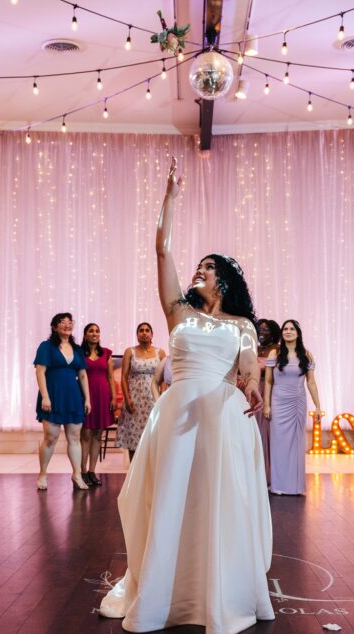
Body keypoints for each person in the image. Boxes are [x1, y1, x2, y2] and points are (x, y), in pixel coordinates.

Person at [100, 157, 273, 632]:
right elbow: (161, 251)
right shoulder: (178, 312)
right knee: (171, 497)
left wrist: (254, 390)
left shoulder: (241, 325)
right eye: (199, 265)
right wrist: (170, 197)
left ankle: (212, 589)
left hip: (221, 415)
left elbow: (248, 370)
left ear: (227, 282)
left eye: (210, 268)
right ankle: (163, 587)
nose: (201, 269)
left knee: (214, 501)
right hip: (175, 413)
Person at [33, 313, 91, 491]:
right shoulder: (46, 346)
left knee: (74, 437)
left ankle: (77, 474)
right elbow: (40, 372)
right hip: (53, 394)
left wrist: (87, 398)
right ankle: (43, 474)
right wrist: (45, 396)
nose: (67, 325)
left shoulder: (77, 349)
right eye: (62, 323)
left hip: (73, 397)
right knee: (50, 437)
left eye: (69, 322)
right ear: (54, 327)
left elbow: (82, 374)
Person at [264, 319, 323, 495]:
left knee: (297, 444)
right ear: (282, 333)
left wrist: (318, 406)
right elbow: (268, 382)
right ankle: (278, 485)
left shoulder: (307, 355)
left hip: (298, 401)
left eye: (292, 329)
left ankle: (295, 486)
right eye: (285, 329)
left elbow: (311, 383)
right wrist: (267, 405)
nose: (288, 331)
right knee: (278, 444)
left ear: (298, 333)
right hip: (278, 402)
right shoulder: (274, 354)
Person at [116, 323, 165, 461]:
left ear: (152, 334)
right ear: (137, 334)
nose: (144, 333)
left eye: (147, 330)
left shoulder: (160, 352)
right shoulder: (129, 351)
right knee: (133, 435)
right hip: (134, 398)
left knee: (153, 434)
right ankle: (133, 472)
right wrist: (127, 399)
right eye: (141, 331)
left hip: (153, 398)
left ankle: (151, 471)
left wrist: (161, 398)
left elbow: (164, 379)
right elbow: (124, 377)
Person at [80, 323, 117, 487]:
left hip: (102, 395)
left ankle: (92, 471)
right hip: (85, 395)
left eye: (97, 331)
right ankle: (81, 471)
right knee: (86, 434)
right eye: (91, 331)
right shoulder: (79, 353)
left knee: (97, 435)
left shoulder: (106, 353)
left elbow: (110, 377)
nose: (94, 334)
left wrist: (114, 397)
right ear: (85, 334)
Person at [254, 319, 281, 482]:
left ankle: (268, 474)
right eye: (259, 330)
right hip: (252, 390)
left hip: (268, 391)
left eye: (266, 330)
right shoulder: (253, 349)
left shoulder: (277, 350)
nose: (262, 333)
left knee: (266, 433)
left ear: (274, 333)